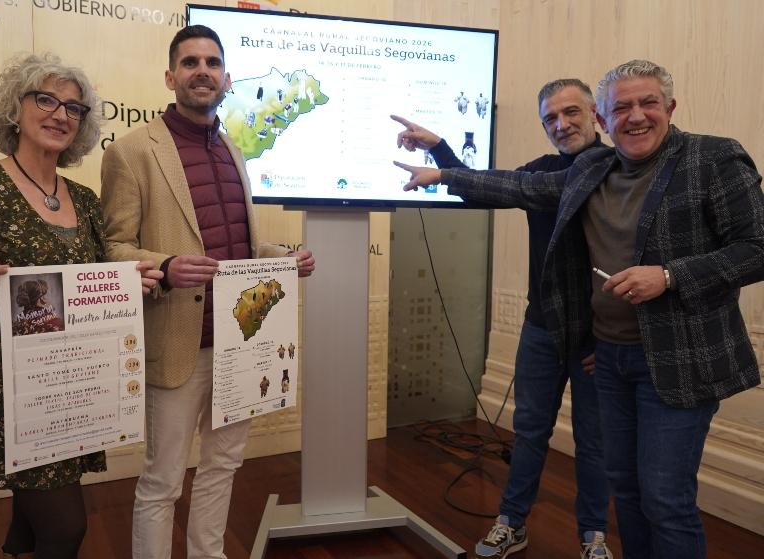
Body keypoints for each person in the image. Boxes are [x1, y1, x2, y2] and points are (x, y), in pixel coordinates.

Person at [396, 60, 764, 559]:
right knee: (626, 488)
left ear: (668, 107)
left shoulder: (712, 158)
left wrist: (669, 275)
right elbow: (512, 186)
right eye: (623, 108)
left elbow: (756, 247)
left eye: (648, 103)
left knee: (662, 496)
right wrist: (441, 167)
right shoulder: (590, 170)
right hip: (606, 355)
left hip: (672, 358)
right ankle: (524, 524)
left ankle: (593, 536)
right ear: (606, 119)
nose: (636, 116)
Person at [0, 53, 162, 559]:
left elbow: (91, 283)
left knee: (33, 514)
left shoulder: (86, 199)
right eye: (46, 100)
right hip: (8, 382)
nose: (60, 115)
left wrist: (128, 283)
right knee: (65, 527)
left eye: (73, 108)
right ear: (15, 109)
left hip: (70, 378)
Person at [100, 25, 315, 559]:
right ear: (170, 76)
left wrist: (281, 259)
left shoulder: (233, 151)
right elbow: (113, 248)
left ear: (227, 79)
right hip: (179, 344)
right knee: (162, 481)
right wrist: (165, 267)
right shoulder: (132, 152)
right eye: (190, 62)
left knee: (223, 466)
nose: (203, 71)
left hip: (242, 342)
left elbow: (240, 245)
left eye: (212, 63)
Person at [393, 78, 612, 559]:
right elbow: (487, 190)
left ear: (596, 115)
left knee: (595, 441)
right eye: (550, 118)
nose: (561, 124)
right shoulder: (540, 169)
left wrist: (613, 338)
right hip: (542, 329)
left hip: (596, 337)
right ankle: (512, 522)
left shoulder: (612, 168)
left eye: (571, 112)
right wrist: (440, 148)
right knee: (529, 432)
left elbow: (519, 187)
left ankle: (593, 535)